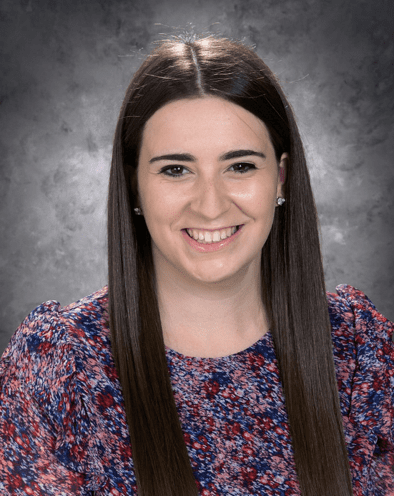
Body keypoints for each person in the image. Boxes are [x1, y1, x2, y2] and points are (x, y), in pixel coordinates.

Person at [0, 36, 393, 496]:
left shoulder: (358, 349)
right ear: (134, 187)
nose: (210, 207)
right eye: (175, 170)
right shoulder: (58, 365)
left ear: (281, 176)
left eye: (241, 166)